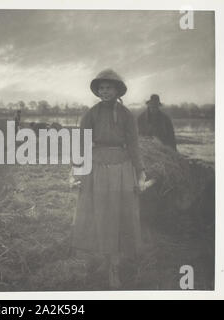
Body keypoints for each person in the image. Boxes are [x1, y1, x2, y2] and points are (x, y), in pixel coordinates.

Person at [70, 69, 146, 289]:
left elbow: (133, 145)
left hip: (122, 169)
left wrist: (140, 171)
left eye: (108, 88)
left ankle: (115, 266)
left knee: (119, 216)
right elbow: (82, 144)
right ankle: (105, 259)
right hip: (97, 169)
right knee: (100, 215)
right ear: (98, 91)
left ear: (117, 90)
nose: (105, 91)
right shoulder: (91, 114)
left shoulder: (126, 115)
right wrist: (76, 170)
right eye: (101, 88)